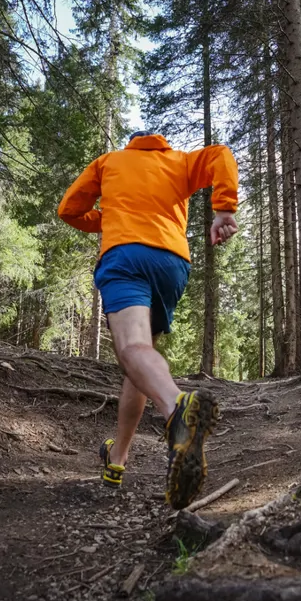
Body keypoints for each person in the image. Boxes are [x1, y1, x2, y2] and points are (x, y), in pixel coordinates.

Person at [57, 130, 239, 509]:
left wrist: (108, 220)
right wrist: (224, 209)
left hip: (125, 257)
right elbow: (221, 154)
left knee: (133, 349)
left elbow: (69, 210)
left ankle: (177, 408)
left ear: (131, 144)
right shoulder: (180, 161)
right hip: (171, 263)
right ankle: (118, 459)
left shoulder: (110, 162)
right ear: (161, 143)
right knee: (139, 361)